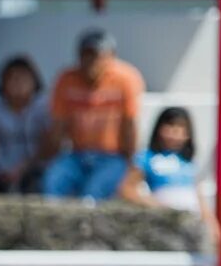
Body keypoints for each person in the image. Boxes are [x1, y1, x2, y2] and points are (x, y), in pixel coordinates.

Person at [42, 29, 145, 201]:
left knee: (91, 195)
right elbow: (58, 126)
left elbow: (130, 124)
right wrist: (50, 158)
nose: (91, 62)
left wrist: (131, 163)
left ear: (111, 56)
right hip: (77, 154)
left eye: (97, 56)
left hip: (112, 156)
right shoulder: (66, 79)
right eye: (86, 55)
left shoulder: (126, 79)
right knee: (52, 182)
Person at [119, 106, 221, 244]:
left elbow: (198, 194)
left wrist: (210, 221)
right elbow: (127, 189)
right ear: (159, 129)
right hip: (165, 222)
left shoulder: (188, 161)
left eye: (180, 129)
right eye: (170, 126)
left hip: (192, 221)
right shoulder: (146, 158)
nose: (174, 133)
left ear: (187, 134)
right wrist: (156, 204)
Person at [0, 55, 49, 193]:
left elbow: (47, 146)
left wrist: (24, 167)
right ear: (3, 83)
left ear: (35, 81)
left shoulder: (44, 107)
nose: (18, 83)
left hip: (35, 170)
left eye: (23, 78)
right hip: (3, 173)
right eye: (12, 78)